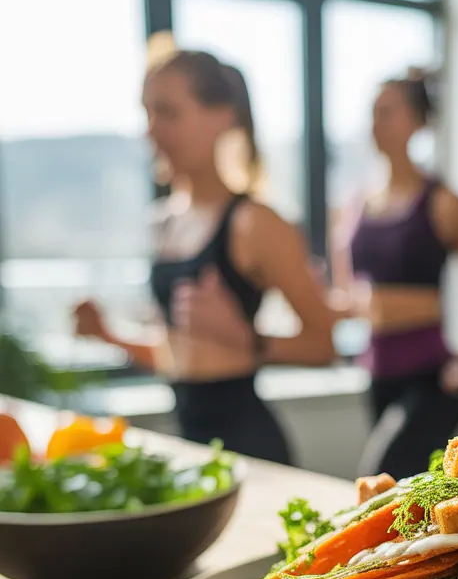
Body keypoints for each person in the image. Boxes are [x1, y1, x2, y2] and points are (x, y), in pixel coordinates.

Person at [74, 48, 336, 465]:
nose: (151, 132)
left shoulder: (256, 222)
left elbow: (323, 345)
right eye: (148, 113)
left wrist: (243, 338)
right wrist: (108, 334)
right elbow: (175, 352)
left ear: (221, 117)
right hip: (191, 447)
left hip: (251, 448)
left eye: (168, 113)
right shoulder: (164, 222)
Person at [330, 70, 458, 481]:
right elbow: (344, 296)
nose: (375, 124)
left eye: (387, 112)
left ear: (417, 122)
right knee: (406, 498)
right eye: (372, 113)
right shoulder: (353, 208)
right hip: (376, 376)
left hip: (432, 382)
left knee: (377, 479)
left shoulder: (447, 205)